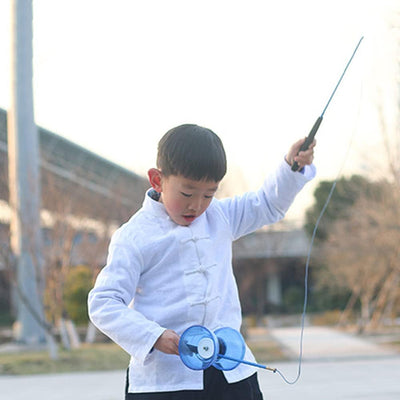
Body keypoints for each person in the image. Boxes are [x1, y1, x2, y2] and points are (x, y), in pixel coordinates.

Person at [88, 124, 316, 399]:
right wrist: (154, 336)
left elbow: (267, 204)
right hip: (166, 382)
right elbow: (104, 302)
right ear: (157, 180)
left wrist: (291, 167)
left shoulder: (220, 216)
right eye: (187, 193)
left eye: (209, 194)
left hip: (233, 374)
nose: (196, 205)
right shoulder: (134, 236)